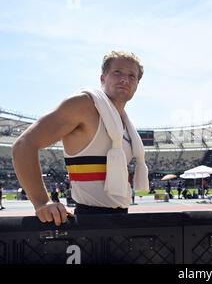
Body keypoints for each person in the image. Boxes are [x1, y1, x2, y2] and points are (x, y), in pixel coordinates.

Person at [12, 51, 149, 225]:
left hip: (121, 218)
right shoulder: (84, 105)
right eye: (118, 72)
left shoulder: (125, 125)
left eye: (132, 76)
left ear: (137, 84)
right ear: (102, 78)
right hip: (88, 220)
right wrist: (42, 202)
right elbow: (24, 144)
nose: (125, 79)